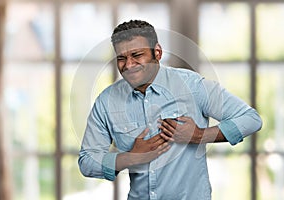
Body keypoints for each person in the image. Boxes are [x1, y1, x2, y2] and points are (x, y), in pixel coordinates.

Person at [78, 19, 262, 200]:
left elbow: (250, 119)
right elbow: (87, 162)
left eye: (136, 55)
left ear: (157, 52)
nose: (128, 65)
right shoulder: (107, 101)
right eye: (121, 58)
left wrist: (199, 135)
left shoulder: (192, 86)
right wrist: (130, 158)